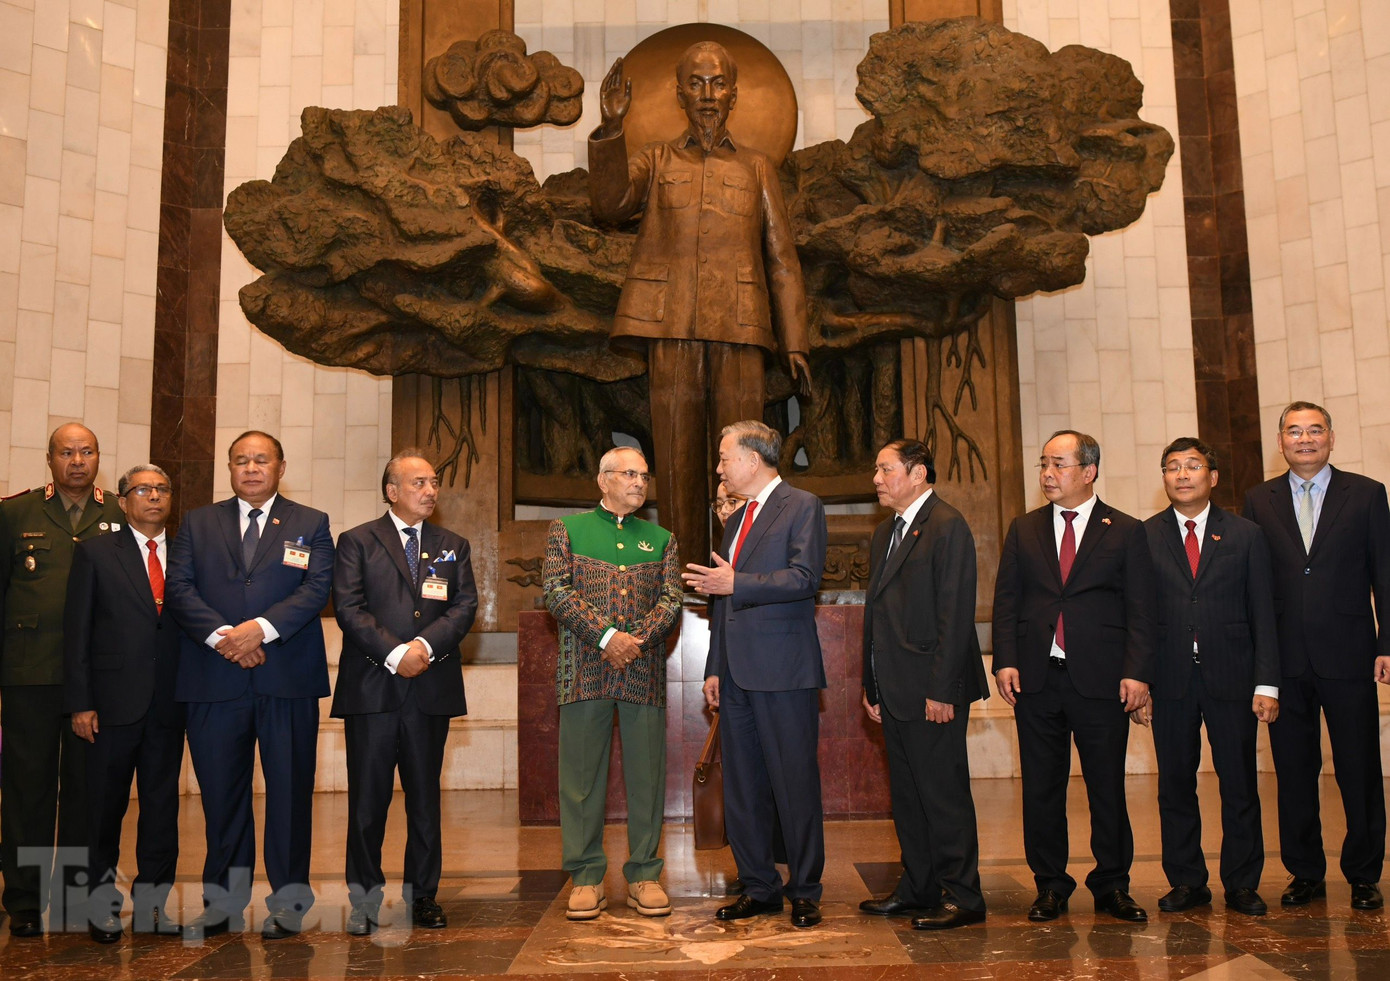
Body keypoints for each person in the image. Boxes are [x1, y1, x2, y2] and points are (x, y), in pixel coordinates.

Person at [589, 41, 812, 569]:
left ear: (734, 94)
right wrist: (611, 130)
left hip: (741, 326)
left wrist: (795, 338)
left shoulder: (757, 167)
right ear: (679, 93)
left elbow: (782, 259)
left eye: (718, 83)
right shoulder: (658, 158)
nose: (708, 94)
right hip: (671, 325)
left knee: (743, 461)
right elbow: (610, 203)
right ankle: (685, 576)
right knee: (678, 455)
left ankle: (737, 569)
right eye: (696, 82)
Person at [166, 431, 334, 939]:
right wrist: (225, 638)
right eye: (241, 461)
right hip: (214, 679)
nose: (251, 468)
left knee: (289, 795)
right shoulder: (197, 522)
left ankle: (287, 905)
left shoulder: (311, 523)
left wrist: (258, 630)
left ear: (281, 466)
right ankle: (222, 904)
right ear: (230, 469)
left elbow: (317, 587)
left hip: (286, 679)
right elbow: (178, 587)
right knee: (221, 797)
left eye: (262, 460)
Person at [992, 429, 1156, 923]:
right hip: (1038, 680)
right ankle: (1049, 885)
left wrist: (1137, 673)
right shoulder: (1024, 528)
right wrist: (1005, 659)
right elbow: (1007, 602)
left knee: (1106, 786)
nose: (1047, 473)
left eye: (1059, 464)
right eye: (1044, 463)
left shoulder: (1126, 530)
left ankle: (1112, 885)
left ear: (1089, 471)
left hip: (1103, 681)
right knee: (1042, 787)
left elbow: (1142, 610)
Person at [1242, 401, 1390, 911]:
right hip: (1284, 661)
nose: (1304, 439)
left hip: (1349, 654)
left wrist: (1387, 641)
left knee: (1359, 767)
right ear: (1279, 441)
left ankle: (1364, 872)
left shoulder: (1368, 495)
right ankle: (1304, 871)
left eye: (1314, 430)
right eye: (1293, 431)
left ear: (1331, 437)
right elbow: (1253, 586)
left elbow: (1385, 576)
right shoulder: (1258, 500)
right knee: (1293, 770)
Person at [685, 420, 828, 928]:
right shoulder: (735, 520)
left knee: (794, 782)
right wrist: (713, 667)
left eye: (724, 458)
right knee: (742, 786)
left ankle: (805, 889)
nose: (719, 467)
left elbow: (805, 577)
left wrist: (736, 580)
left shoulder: (802, 505)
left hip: (785, 670)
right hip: (736, 674)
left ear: (752, 458)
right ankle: (759, 885)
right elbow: (724, 603)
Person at [332, 452, 477, 936]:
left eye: (434, 482)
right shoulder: (356, 541)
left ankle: (424, 897)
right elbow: (349, 608)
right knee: (367, 801)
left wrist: (423, 646)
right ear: (392, 491)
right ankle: (365, 899)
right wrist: (396, 653)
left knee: (424, 799)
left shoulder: (452, 544)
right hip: (373, 687)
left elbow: (464, 605)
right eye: (419, 482)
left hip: (429, 687)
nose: (431, 490)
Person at [543, 446, 682, 921]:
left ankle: (644, 874)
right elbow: (556, 591)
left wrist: (635, 640)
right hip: (583, 668)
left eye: (645, 475)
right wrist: (605, 636)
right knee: (581, 778)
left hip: (642, 670)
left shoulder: (661, 538)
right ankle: (585, 878)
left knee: (646, 775)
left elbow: (671, 599)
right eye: (629, 474)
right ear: (603, 480)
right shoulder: (568, 530)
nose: (640, 482)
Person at [1142, 438, 1279, 916]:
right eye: (1172, 467)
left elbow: (1264, 611)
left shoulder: (1244, 534)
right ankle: (1186, 881)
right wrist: (1139, 682)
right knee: (1175, 784)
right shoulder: (1145, 536)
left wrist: (1267, 682)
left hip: (1233, 678)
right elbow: (1137, 617)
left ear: (1212, 477)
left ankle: (1242, 882)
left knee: (1238, 782)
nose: (1182, 475)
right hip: (1170, 680)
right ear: (1163, 478)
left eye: (1192, 466)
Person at [859, 439, 988, 930]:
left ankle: (963, 895)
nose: (876, 478)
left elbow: (956, 616)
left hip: (933, 690)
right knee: (909, 796)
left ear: (917, 473)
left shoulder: (947, 525)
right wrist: (871, 685)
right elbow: (877, 617)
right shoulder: (885, 532)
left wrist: (942, 689)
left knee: (943, 795)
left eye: (884, 468)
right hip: (893, 688)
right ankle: (918, 887)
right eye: (877, 468)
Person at [0, 422, 120, 937]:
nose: (77, 460)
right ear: (49, 459)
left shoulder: (120, 511)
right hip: (31, 676)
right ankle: (24, 902)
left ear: (98, 457)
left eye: (86, 451)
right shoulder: (14, 513)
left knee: (85, 792)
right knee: (26, 791)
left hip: (97, 682)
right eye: (66, 452)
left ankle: (74, 899)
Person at [64, 465, 185, 942]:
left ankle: (154, 908)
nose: (153, 496)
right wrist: (80, 702)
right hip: (110, 705)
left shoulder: (188, 554)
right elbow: (77, 634)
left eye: (162, 489)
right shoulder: (94, 553)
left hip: (169, 705)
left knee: (161, 810)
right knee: (103, 810)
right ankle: (100, 908)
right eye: (143, 490)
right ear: (122, 500)